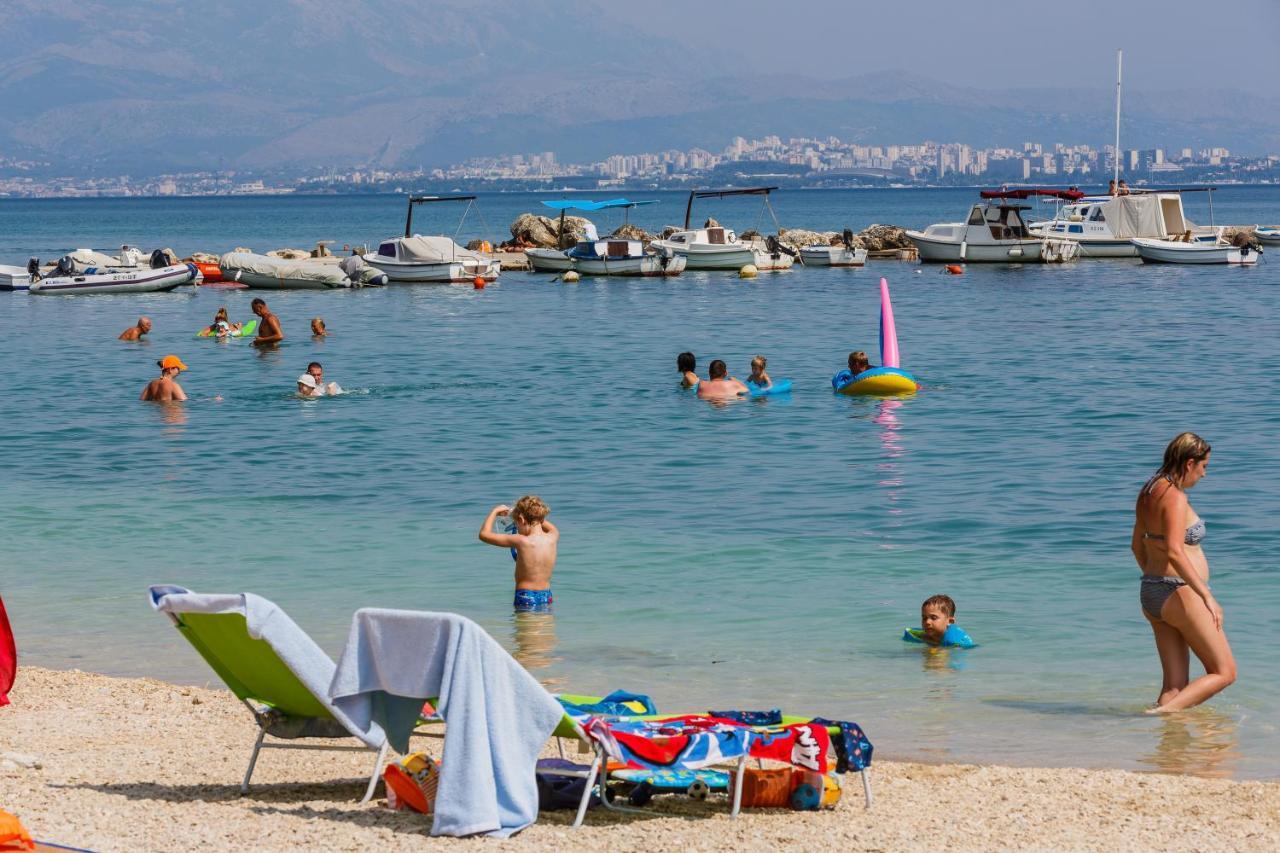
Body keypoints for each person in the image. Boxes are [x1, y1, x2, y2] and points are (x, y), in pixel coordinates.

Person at [1132, 432, 1236, 713]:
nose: (1204, 475)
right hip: (1178, 591)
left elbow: (1136, 546)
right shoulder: (1175, 498)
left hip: (1151, 591)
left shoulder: (1149, 491)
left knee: (1174, 687)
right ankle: (1161, 714)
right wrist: (1206, 597)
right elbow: (1176, 551)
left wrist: (1156, 578)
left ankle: (1170, 751)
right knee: (1225, 672)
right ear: (1190, 463)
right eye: (1204, 467)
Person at [478, 496, 559, 612]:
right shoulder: (553, 535)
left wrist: (494, 511)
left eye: (516, 523)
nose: (517, 527)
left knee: (525, 629)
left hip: (525, 596)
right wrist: (523, 513)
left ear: (521, 519)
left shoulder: (521, 540)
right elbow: (539, 519)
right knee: (545, 628)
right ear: (541, 518)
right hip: (546, 595)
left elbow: (484, 535)